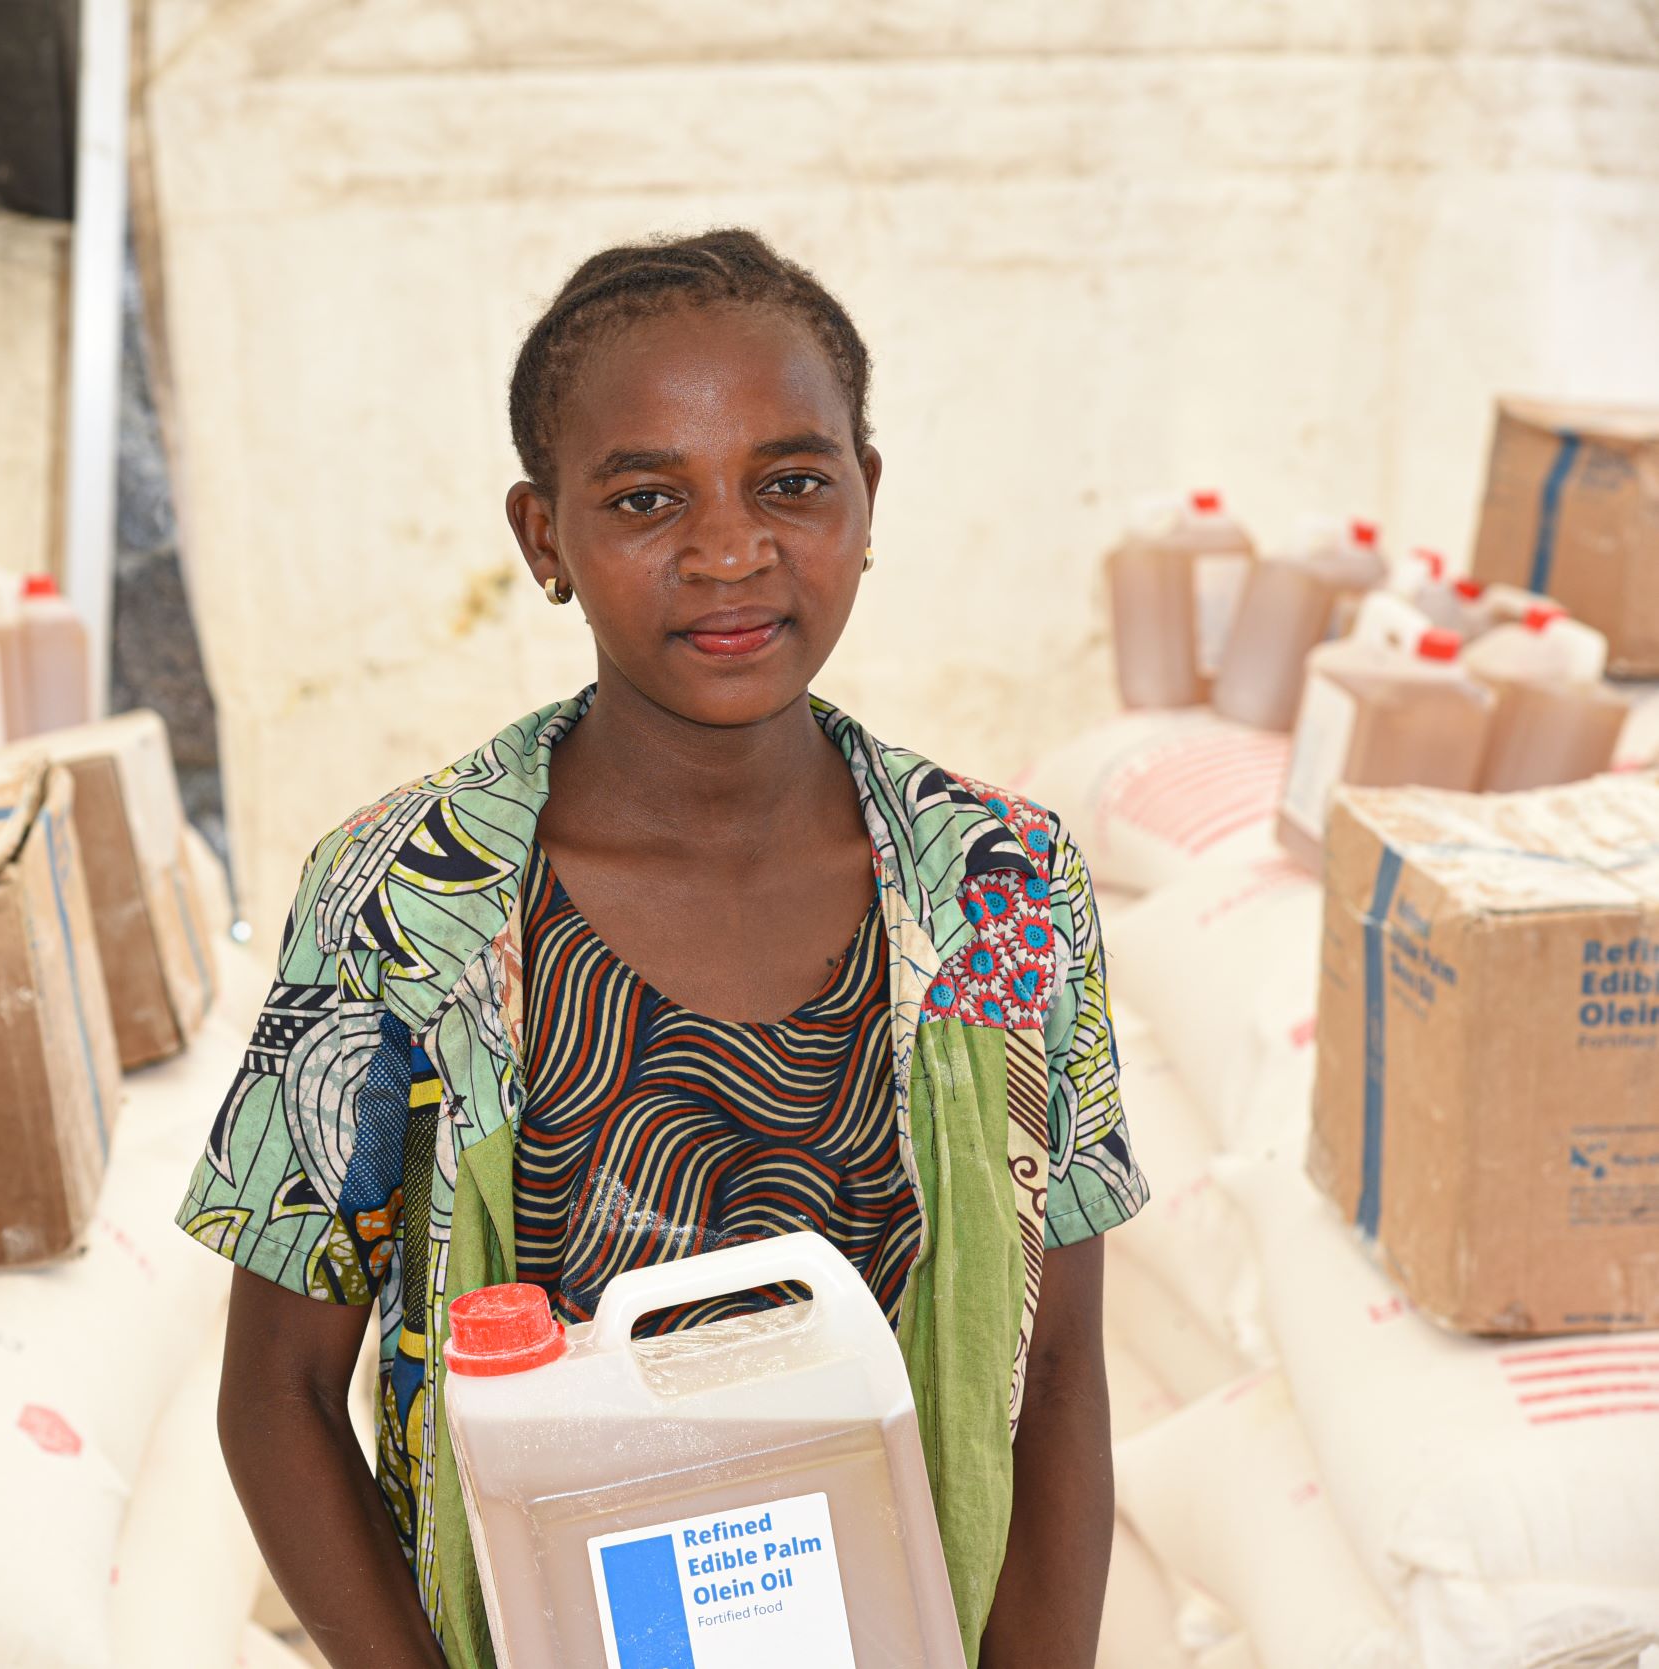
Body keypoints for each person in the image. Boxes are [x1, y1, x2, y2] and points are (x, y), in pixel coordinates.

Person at [175, 227, 1147, 1668]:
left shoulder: (1000, 883)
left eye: (791, 482)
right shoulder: (406, 902)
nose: (730, 550)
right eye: (646, 497)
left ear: (867, 500)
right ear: (543, 537)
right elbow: (275, 1394)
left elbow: (1056, 1366)